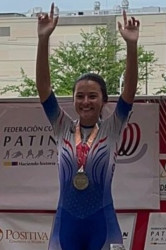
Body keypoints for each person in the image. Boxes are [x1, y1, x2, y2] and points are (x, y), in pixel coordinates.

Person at [36, 3, 139, 250]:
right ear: (72, 100)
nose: (85, 102)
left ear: (103, 100)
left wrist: (131, 46)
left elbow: (129, 92)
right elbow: (43, 89)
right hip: (66, 226)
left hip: (103, 225)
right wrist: (43, 40)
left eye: (92, 96)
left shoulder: (112, 128)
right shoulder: (62, 127)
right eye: (80, 96)